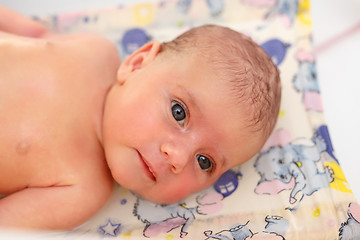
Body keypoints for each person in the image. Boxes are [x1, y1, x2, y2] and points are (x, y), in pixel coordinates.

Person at [0, 6, 281, 230]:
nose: (178, 158)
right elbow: (32, 31)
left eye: (204, 161)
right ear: (137, 63)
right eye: (178, 112)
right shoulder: (95, 51)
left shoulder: (83, 190)